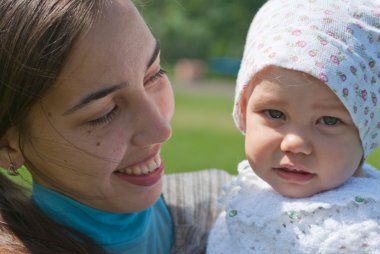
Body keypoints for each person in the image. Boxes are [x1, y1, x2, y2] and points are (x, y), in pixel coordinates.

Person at [0, 0, 231, 253]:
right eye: (104, 113)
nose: (161, 130)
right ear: (7, 146)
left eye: (154, 75)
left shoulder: (237, 210)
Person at [207, 0, 380, 253]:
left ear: (367, 130)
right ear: (243, 109)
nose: (295, 144)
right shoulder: (248, 191)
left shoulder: (359, 230)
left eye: (329, 121)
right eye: (275, 113)